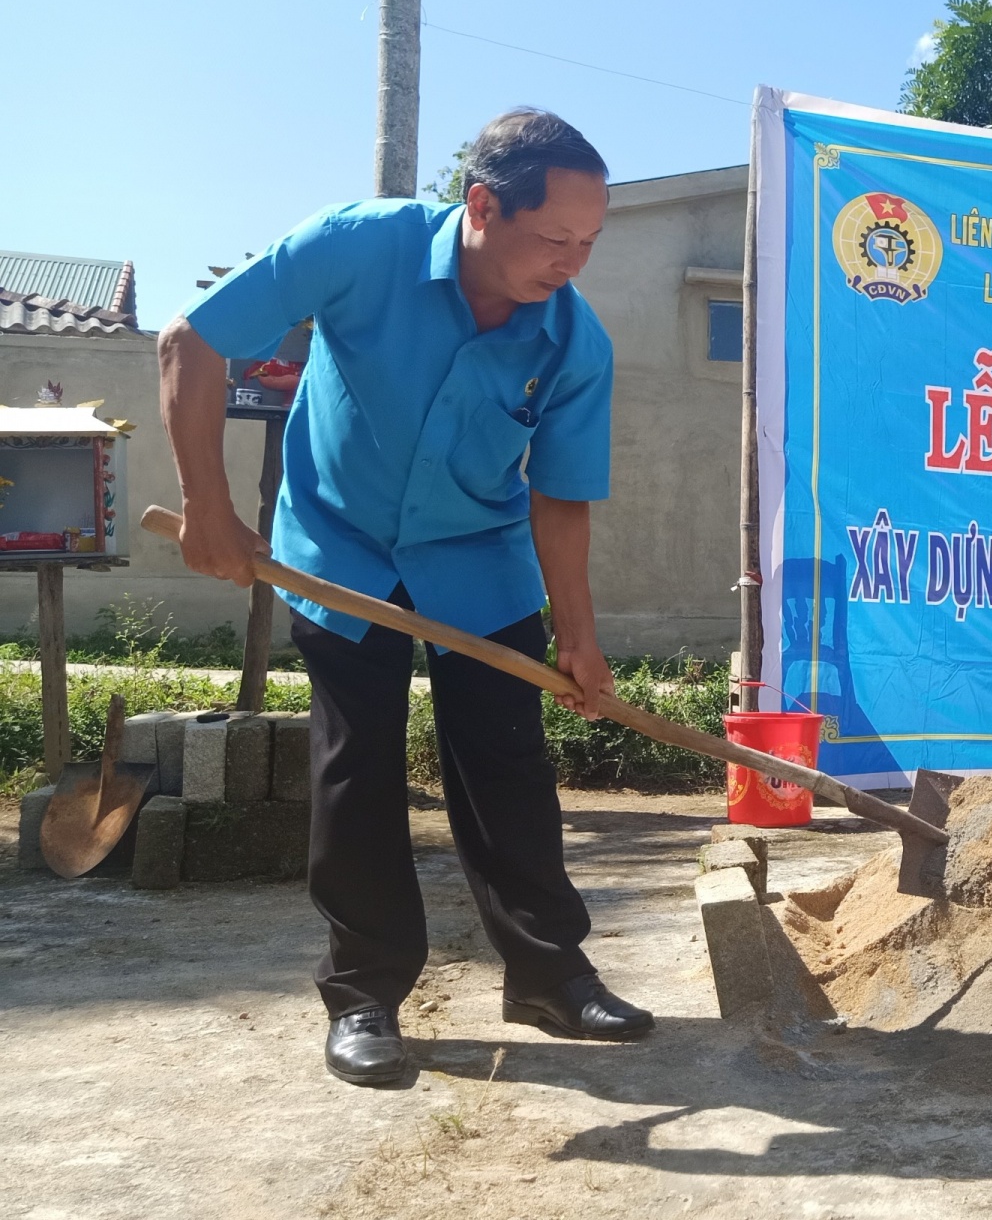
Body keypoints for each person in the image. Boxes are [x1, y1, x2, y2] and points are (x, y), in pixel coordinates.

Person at [159, 108, 654, 1087]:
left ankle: (550, 975)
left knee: (507, 762)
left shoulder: (572, 342)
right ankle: (365, 995)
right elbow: (192, 343)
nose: (572, 263)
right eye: (554, 238)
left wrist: (581, 638)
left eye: (589, 244)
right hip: (338, 547)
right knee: (358, 766)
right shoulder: (358, 247)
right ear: (481, 206)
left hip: (478, 554)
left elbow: (560, 499)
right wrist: (208, 509)